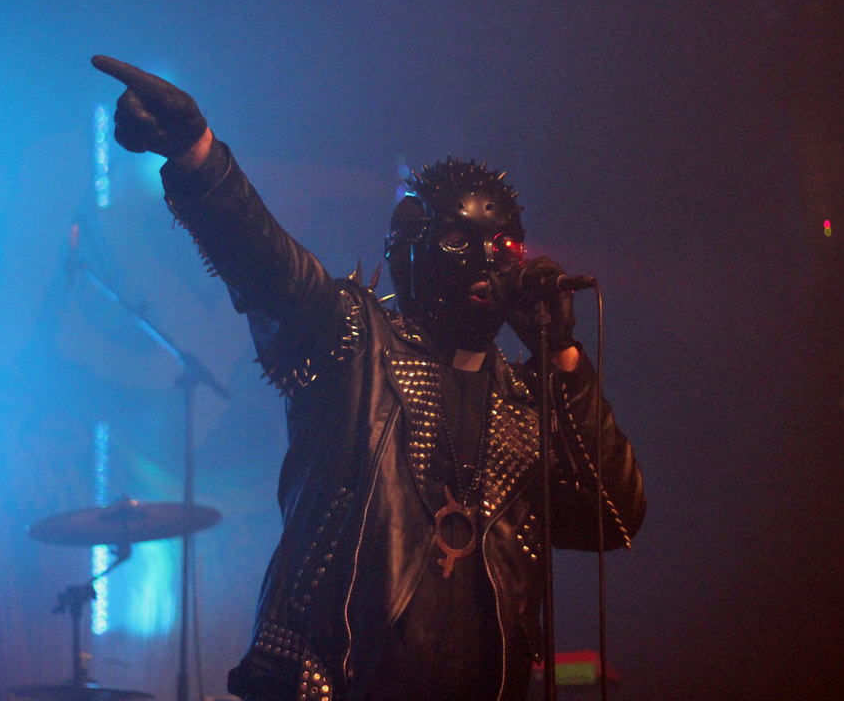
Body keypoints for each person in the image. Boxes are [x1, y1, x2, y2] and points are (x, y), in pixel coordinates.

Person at [92, 55, 646, 701]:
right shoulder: (355, 345)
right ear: (412, 251)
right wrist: (198, 156)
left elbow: (614, 516)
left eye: (502, 247)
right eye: (458, 241)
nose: (483, 261)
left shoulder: (525, 404)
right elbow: (271, 268)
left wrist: (564, 359)